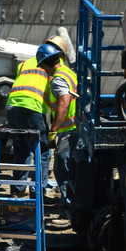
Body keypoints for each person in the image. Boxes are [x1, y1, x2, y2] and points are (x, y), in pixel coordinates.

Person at [5, 43, 68, 198]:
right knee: (43, 152)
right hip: (31, 107)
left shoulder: (25, 63)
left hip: (12, 106)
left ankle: (18, 190)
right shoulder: (53, 67)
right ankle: (37, 193)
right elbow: (56, 95)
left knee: (21, 148)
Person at [43, 31, 79, 217]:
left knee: (62, 170)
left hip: (66, 130)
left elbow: (64, 102)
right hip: (73, 128)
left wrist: (53, 129)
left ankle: (67, 211)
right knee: (68, 169)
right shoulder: (68, 72)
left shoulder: (58, 78)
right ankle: (69, 207)